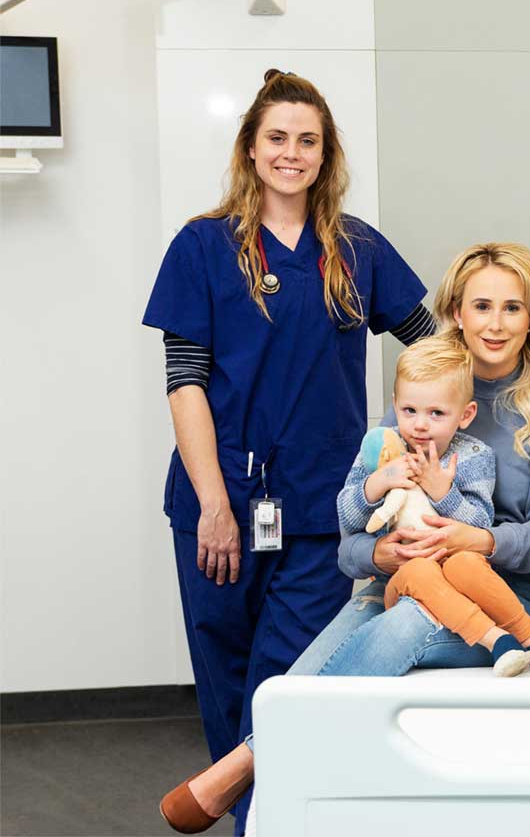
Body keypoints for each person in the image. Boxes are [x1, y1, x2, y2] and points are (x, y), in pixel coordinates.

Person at [160, 242, 530, 834]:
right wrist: (380, 552)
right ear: (455, 315)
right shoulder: (414, 407)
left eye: (512, 308)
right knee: (297, 679)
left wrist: (478, 542)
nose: (495, 323)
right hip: (391, 584)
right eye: (481, 306)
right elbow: (349, 546)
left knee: (402, 627)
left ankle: (246, 761)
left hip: (498, 591)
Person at [144, 70, 433, 831]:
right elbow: (185, 381)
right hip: (219, 498)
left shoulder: (357, 248)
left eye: (308, 140)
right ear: (250, 146)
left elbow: (433, 341)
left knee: (291, 676)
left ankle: (266, 820)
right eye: (277, 137)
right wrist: (212, 503)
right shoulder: (204, 245)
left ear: (326, 152)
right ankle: (256, 817)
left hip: (324, 507)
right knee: (225, 675)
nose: (292, 153)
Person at [345, 334, 530, 676]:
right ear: (395, 404)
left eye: (436, 413)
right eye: (409, 411)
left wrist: (443, 493)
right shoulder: (384, 448)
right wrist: (377, 483)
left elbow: (480, 521)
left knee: (468, 564)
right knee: (421, 570)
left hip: (459, 570)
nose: (421, 424)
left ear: (465, 414)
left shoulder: (473, 457)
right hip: (408, 580)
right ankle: (498, 640)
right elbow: (348, 517)